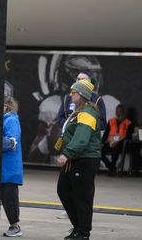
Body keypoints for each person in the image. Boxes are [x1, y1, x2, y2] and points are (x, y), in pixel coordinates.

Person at [56, 79, 101, 240]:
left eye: (73, 92)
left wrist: (67, 153)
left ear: (81, 94)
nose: (71, 94)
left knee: (82, 197)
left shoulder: (88, 113)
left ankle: (83, 233)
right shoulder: (78, 111)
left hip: (85, 160)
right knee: (64, 190)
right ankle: (78, 227)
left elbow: (81, 138)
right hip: (75, 159)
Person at [1, 95, 23, 237]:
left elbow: (11, 142)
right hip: (3, 168)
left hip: (9, 170)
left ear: (5, 106)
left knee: (9, 199)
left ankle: (15, 227)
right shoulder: (5, 119)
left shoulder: (11, 120)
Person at [101, 104, 133, 176]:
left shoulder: (128, 122)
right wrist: (102, 142)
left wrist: (118, 141)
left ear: (123, 112)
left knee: (115, 150)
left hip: (122, 144)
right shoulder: (111, 121)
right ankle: (111, 167)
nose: (118, 113)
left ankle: (111, 169)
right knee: (100, 151)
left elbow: (129, 136)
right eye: (117, 111)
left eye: (120, 111)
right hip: (111, 142)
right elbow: (106, 133)